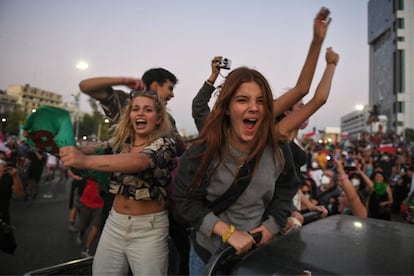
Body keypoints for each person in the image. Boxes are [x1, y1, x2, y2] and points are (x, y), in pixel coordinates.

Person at [173, 67, 294, 275]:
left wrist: (272, 225)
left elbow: (287, 190)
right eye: (242, 100)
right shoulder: (205, 149)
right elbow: (185, 201)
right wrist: (229, 233)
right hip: (208, 257)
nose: (253, 108)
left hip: (255, 259)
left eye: (261, 101)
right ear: (227, 108)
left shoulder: (279, 150)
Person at [60, 89, 177, 275]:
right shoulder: (122, 141)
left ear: (159, 118)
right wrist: (66, 149)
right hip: (115, 224)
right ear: (130, 115)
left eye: (148, 110)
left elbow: (140, 162)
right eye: (135, 109)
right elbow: (93, 147)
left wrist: (84, 161)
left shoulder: (165, 144)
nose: (140, 113)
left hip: (149, 230)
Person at [76, 178, 104, 258]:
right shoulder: (91, 170)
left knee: (96, 228)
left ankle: (86, 249)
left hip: (100, 205)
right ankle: (81, 233)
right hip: (86, 202)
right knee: (83, 225)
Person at [0, 151, 24, 225]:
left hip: (4, 220)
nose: (1, 162)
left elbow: (19, 194)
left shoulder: (9, 175)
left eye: (3, 159)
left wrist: (15, 176)